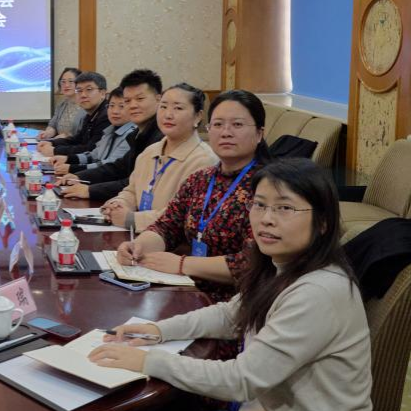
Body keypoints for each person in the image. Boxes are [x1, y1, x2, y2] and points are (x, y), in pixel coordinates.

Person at [92, 158, 372, 411]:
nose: (266, 219)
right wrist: (157, 331)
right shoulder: (279, 265)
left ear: (324, 222)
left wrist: (147, 361)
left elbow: (242, 380)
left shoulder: (318, 291)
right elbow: (230, 315)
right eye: (259, 205)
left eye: (285, 208)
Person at [116, 90, 272, 303]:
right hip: (186, 290)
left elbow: (254, 261)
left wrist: (183, 264)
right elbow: (166, 226)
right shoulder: (201, 179)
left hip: (238, 302)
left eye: (237, 125)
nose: (226, 132)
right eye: (218, 124)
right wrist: (138, 246)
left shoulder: (270, 189)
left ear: (259, 133)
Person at [102, 83, 217, 231]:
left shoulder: (204, 160)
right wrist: (118, 205)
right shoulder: (150, 152)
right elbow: (132, 191)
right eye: (163, 107)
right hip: (137, 234)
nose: (168, 114)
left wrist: (132, 219)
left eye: (178, 108)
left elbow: (184, 215)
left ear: (198, 116)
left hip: (169, 242)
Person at [56, 68, 165, 201]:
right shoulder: (137, 133)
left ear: (158, 99)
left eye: (140, 99)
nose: (133, 105)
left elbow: (136, 182)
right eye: (127, 101)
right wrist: (79, 176)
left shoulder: (161, 137)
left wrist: (90, 190)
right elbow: (118, 168)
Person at [51, 86, 136, 175]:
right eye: (111, 106)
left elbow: (111, 165)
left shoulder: (132, 135)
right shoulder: (110, 130)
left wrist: (72, 168)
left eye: (121, 106)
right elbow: (94, 155)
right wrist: (67, 159)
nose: (115, 111)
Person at [37, 71, 110, 158]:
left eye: (89, 89)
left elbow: (91, 149)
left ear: (102, 93)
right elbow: (77, 140)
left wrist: (55, 151)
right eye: (79, 90)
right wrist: (51, 142)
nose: (83, 95)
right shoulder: (90, 114)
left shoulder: (107, 115)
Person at [41, 67, 85, 139]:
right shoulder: (62, 105)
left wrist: (66, 136)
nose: (66, 85)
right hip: (60, 143)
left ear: (79, 84)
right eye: (63, 82)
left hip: (76, 144)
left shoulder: (86, 105)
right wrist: (48, 133)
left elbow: (85, 132)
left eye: (71, 81)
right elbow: (53, 125)